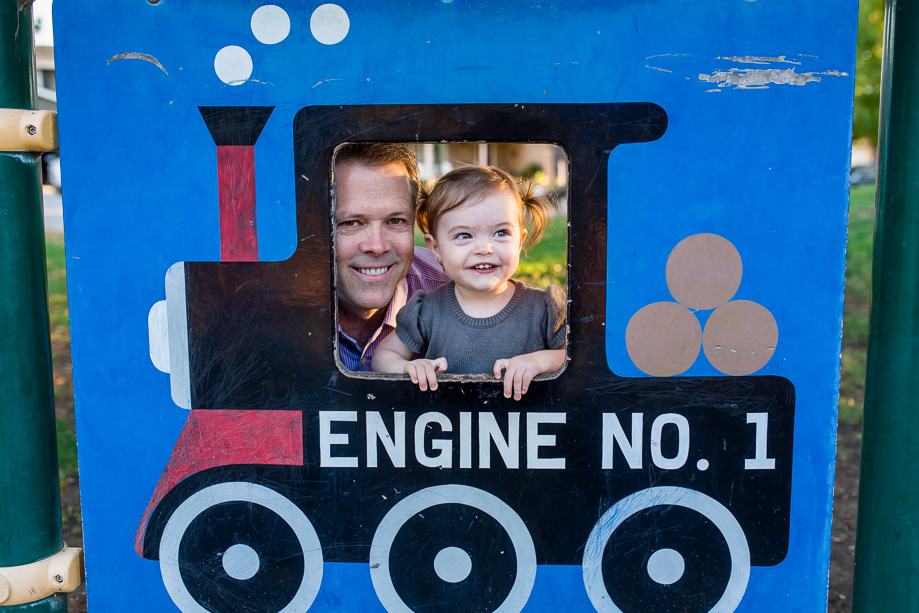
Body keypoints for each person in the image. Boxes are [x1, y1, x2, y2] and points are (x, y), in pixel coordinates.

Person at [371, 166, 567, 400]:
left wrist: (541, 360)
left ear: (520, 240)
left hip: (523, 432)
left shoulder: (544, 307)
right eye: (464, 235)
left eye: (501, 233)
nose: (485, 248)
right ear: (436, 248)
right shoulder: (427, 311)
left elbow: (578, 357)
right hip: (451, 431)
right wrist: (407, 368)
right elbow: (384, 355)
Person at [334, 144, 449, 370]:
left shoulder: (455, 294)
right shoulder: (268, 311)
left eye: (395, 221)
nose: (377, 246)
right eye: (350, 223)